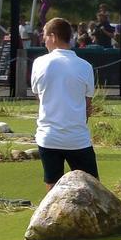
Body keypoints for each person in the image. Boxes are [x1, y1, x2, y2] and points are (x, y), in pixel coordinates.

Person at [31, 16, 98, 185]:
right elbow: (87, 106)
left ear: (53, 36)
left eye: (45, 36)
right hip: (77, 138)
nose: (44, 40)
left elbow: (39, 98)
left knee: (53, 188)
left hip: (48, 137)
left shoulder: (39, 63)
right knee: (92, 187)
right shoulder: (85, 66)